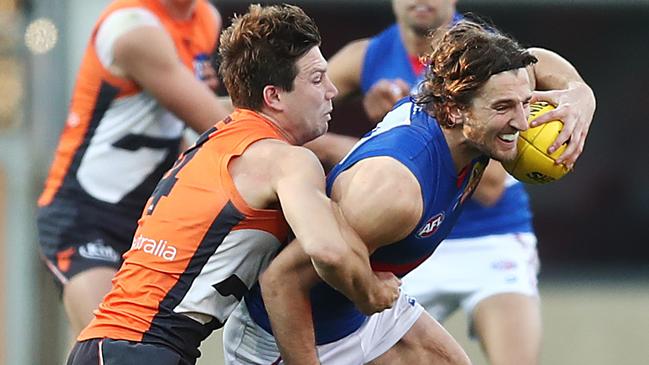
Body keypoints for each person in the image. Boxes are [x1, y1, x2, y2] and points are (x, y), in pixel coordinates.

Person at [66, 4, 400, 364]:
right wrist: (371, 291)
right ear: (272, 96)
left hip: (111, 347)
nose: (333, 90)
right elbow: (328, 252)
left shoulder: (213, 140)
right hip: (141, 349)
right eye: (317, 79)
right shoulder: (284, 160)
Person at [223, 20, 552, 365]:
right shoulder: (394, 192)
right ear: (455, 111)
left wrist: (580, 97)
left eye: (525, 103)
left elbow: (541, 64)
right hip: (289, 334)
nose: (523, 122)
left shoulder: (467, 119)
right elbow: (280, 282)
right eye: (503, 108)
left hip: (362, 318)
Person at [321, 2, 596, 364]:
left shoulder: (482, 54)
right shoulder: (367, 56)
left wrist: (581, 92)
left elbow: (491, 184)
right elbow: (292, 108)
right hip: (403, 236)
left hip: (492, 235)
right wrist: (377, 140)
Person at [36, 0, 232, 336]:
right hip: (86, 213)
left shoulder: (206, 18)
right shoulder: (132, 27)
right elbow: (219, 124)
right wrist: (323, 144)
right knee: (113, 342)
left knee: (149, 347)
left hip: (149, 216)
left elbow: (180, 119)